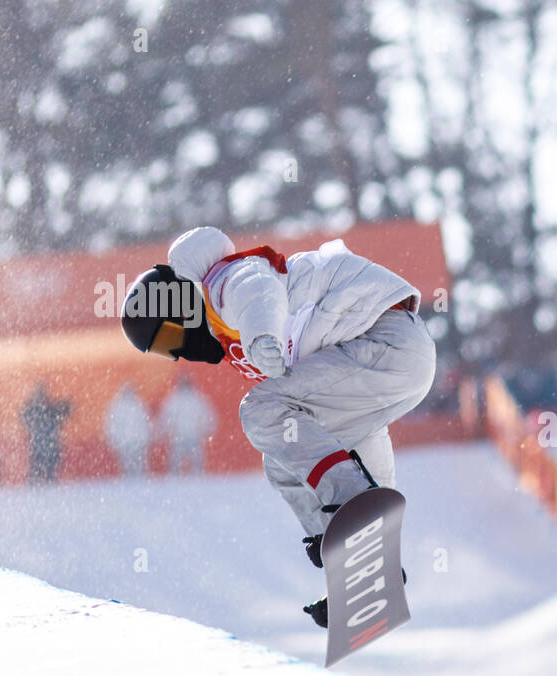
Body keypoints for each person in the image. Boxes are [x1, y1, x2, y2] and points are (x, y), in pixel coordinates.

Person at [118, 226, 436, 623]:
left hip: (382, 337)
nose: (178, 352)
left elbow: (257, 291)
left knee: (260, 410)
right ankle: (366, 565)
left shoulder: (222, 282)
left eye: (168, 338)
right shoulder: (225, 331)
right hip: (389, 361)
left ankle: (351, 510)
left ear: (179, 307)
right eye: (165, 352)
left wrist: (261, 334)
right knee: (288, 452)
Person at [158, 377, 215, 474]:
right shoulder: (196, 399)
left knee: (180, 461)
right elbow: (208, 417)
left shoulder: (175, 400)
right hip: (189, 435)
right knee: (193, 461)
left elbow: (166, 418)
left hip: (183, 436)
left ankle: (178, 480)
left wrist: (165, 431)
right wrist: (207, 430)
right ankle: (196, 480)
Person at [21, 382, 70, 483]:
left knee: (48, 471)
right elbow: (23, 416)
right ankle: (39, 483)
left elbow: (65, 410)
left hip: (48, 446)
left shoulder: (49, 409)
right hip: (40, 446)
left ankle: (43, 483)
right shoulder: (38, 410)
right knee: (40, 470)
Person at [104, 382, 151, 477]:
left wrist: (145, 439)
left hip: (135, 441)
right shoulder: (117, 407)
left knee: (137, 465)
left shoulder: (138, 405)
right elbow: (112, 425)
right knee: (127, 465)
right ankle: (129, 484)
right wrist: (114, 440)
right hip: (125, 442)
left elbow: (144, 423)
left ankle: (139, 485)